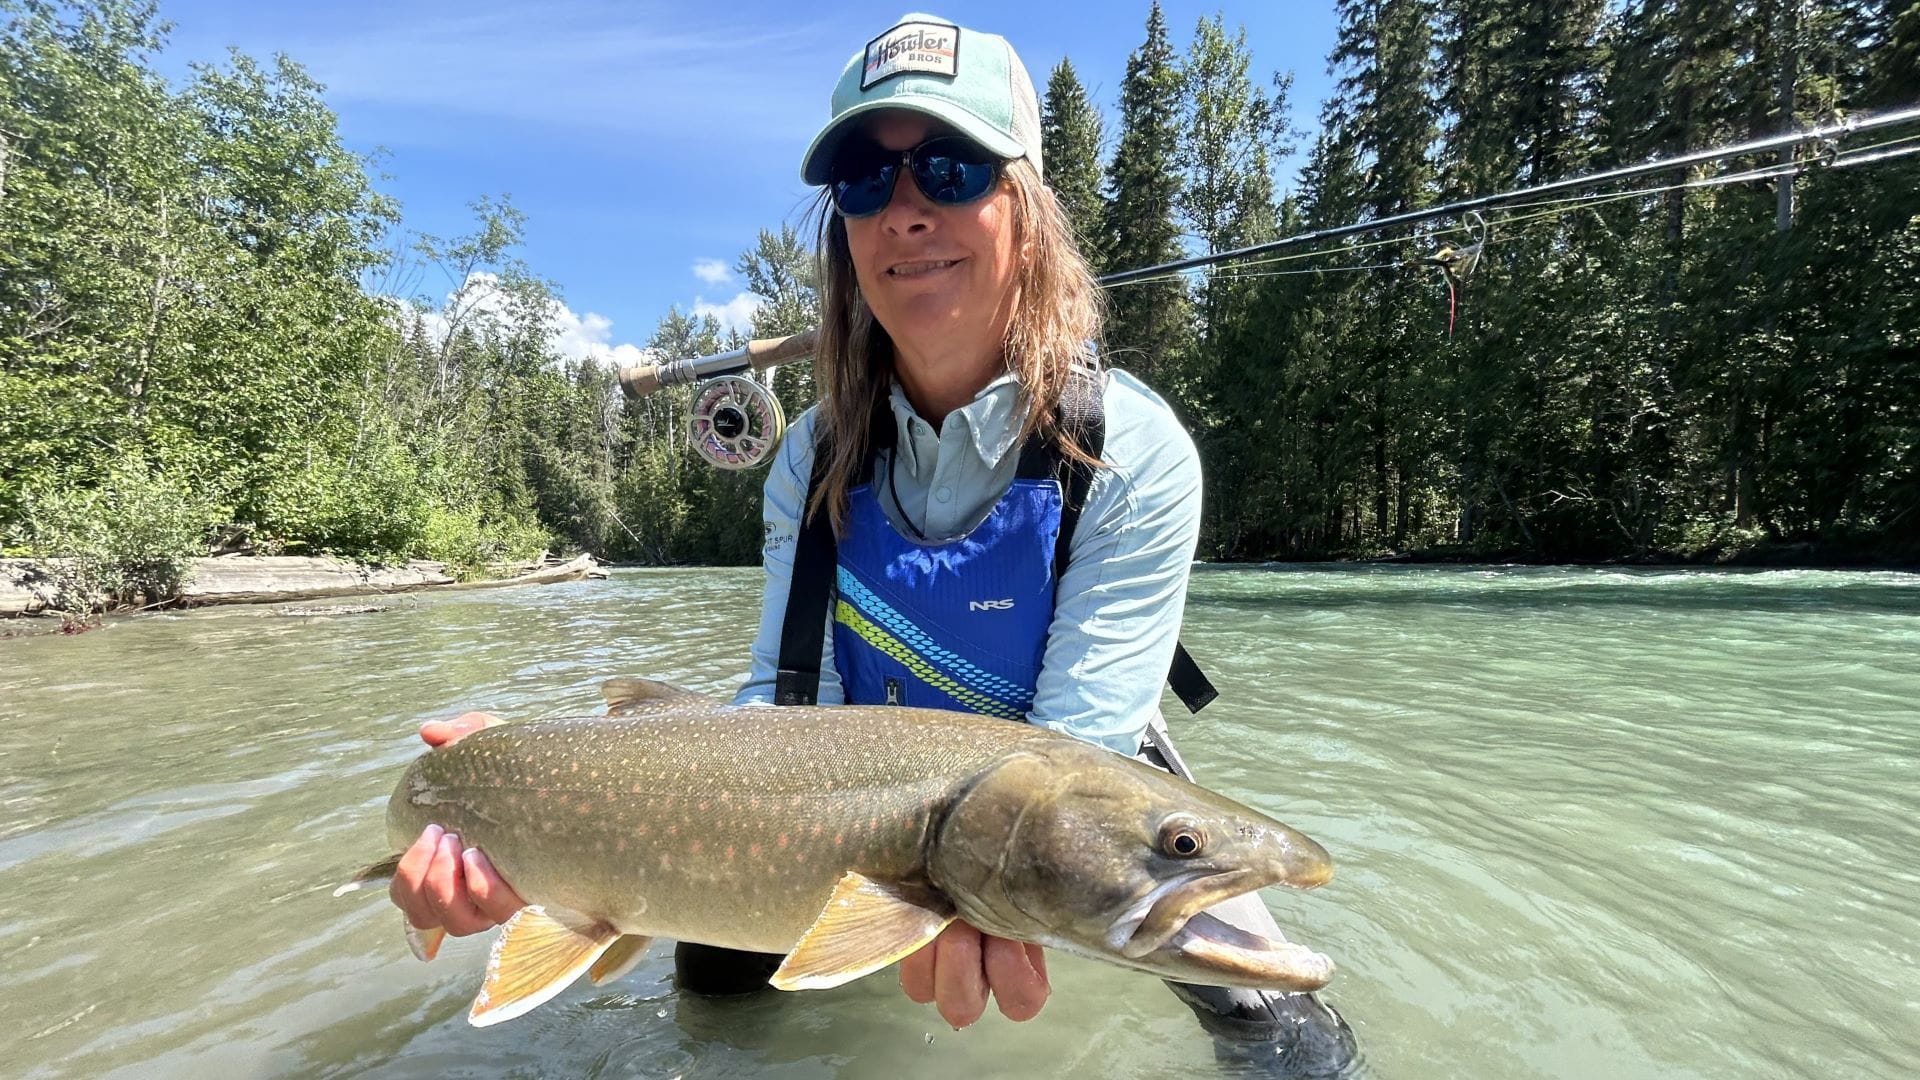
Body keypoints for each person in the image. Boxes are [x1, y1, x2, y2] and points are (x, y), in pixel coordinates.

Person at [388, 13, 1356, 1074]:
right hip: (874, 799)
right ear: (843, 229)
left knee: (1280, 1029)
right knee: (713, 972)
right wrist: (553, 782)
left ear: (1024, 210)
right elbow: (782, 707)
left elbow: (1077, 752)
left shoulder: (1131, 450)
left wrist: (984, 897)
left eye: (948, 169)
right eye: (863, 180)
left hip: (1057, 795)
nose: (903, 212)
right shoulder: (812, 459)